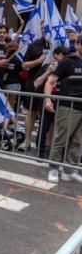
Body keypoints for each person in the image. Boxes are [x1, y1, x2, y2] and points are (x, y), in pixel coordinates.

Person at [44, 36, 82, 184]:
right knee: (61, 139)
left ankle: (69, 170)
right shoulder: (66, 62)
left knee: (77, 141)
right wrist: (48, 99)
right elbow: (50, 81)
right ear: (77, 44)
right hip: (68, 106)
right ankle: (53, 168)